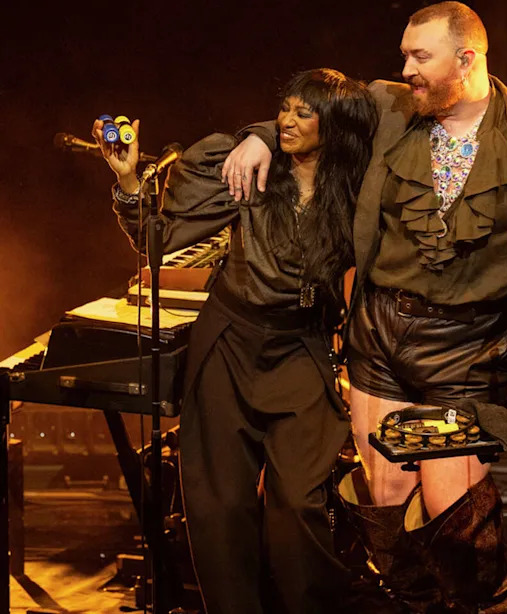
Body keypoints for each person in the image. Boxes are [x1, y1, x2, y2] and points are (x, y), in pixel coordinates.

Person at [222, 1, 507, 612]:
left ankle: (502, 606)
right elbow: (310, 116)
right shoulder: (387, 106)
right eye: (405, 54)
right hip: (380, 332)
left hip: (465, 345)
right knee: (383, 504)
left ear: (468, 58)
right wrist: (259, 136)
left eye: (420, 56)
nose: (406, 68)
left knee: (453, 515)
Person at [94, 68, 379, 614]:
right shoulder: (249, 168)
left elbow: (385, 103)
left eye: (303, 112)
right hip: (230, 341)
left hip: (301, 347)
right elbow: (160, 238)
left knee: (298, 503)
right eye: (284, 109)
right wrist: (130, 183)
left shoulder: (357, 182)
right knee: (219, 507)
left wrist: (264, 134)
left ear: (336, 126)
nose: (286, 120)